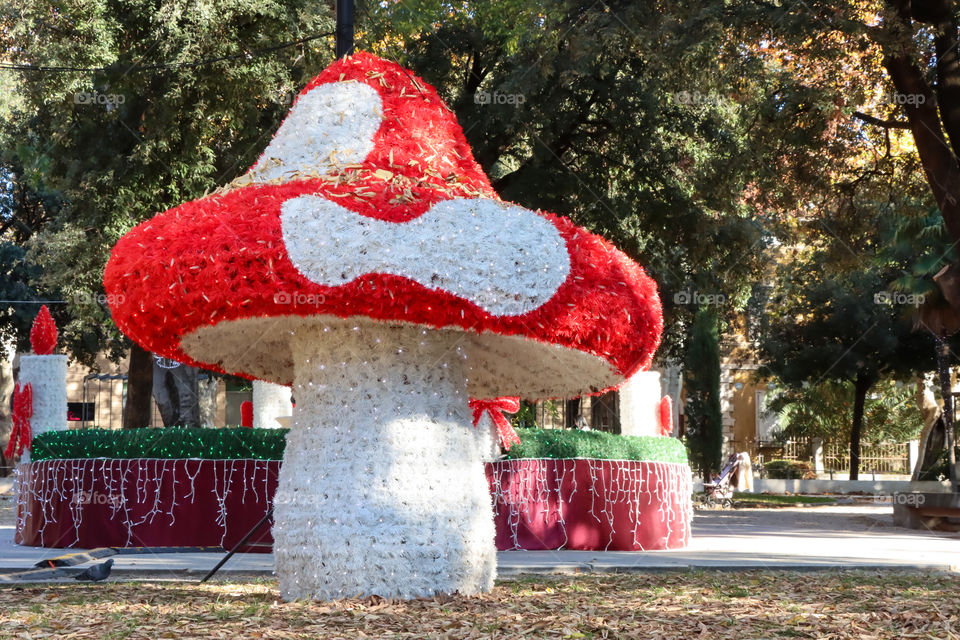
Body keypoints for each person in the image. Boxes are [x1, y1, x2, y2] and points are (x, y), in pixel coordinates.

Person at [152, 355, 200, 428]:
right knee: (167, 410)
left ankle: (186, 431)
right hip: (160, 358)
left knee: (187, 410)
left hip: (180, 358)